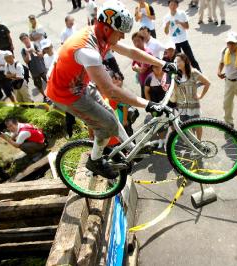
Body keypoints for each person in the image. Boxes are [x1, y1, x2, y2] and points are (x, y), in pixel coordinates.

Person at [46, 0, 177, 179]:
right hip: (65, 94)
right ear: (108, 28)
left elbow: (131, 52)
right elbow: (110, 91)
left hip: (80, 85)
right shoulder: (87, 49)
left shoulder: (101, 34)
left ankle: (131, 149)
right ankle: (95, 160)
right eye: (121, 33)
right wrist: (149, 104)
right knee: (106, 124)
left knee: (110, 114)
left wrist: (162, 63)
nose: (123, 37)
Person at [170, 53, 210, 139]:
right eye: (175, 62)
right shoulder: (176, 75)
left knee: (197, 124)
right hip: (182, 105)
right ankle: (193, 142)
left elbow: (207, 83)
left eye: (179, 61)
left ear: (185, 61)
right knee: (187, 125)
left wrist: (201, 96)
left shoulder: (193, 72)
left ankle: (199, 142)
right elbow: (175, 90)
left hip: (193, 104)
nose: (177, 63)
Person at [164, 0, 201, 72]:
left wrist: (180, 23)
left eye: (174, 5)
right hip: (174, 43)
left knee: (191, 58)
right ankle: (181, 76)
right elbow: (166, 32)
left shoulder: (182, 14)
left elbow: (187, 27)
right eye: (171, 5)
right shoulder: (166, 17)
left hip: (183, 40)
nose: (173, 6)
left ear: (177, 6)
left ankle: (199, 73)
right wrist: (167, 25)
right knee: (177, 61)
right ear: (168, 6)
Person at [144, 64, 171, 148]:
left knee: (169, 121)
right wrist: (150, 103)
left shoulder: (167, 76)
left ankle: (168, 139)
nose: (157, 68)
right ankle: (161, 139)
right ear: (152, 68)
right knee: (158, 123)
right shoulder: (149, 78)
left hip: (167, 104)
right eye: (155, 67)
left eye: (158, 66)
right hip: (155, 106)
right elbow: (146, 92)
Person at [19, 33, 48, 102]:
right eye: (23, 40)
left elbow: (41, 55)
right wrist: (28, 53)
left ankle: (53, 93)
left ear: (28, 37)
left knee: (49, 81)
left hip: (42, 68)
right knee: (39, 85)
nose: (25, 40)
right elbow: (26, 61)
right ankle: (44, 96)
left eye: (25, 38)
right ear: (22, 41)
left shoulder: (34, 45)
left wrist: (34, 51)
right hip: (34, 72)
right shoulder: (23, 50)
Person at [131, 32, 152, 99]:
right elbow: (133, 65)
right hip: (142, 81)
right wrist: (137, 67)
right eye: (134, 42)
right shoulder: (136, 53)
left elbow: (142, 70)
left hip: (150, 84)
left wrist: (136, 68)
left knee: (151, 101)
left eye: (138, 41)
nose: (136, 44)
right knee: (144, 100)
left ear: (143, 41)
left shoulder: (147, 53)